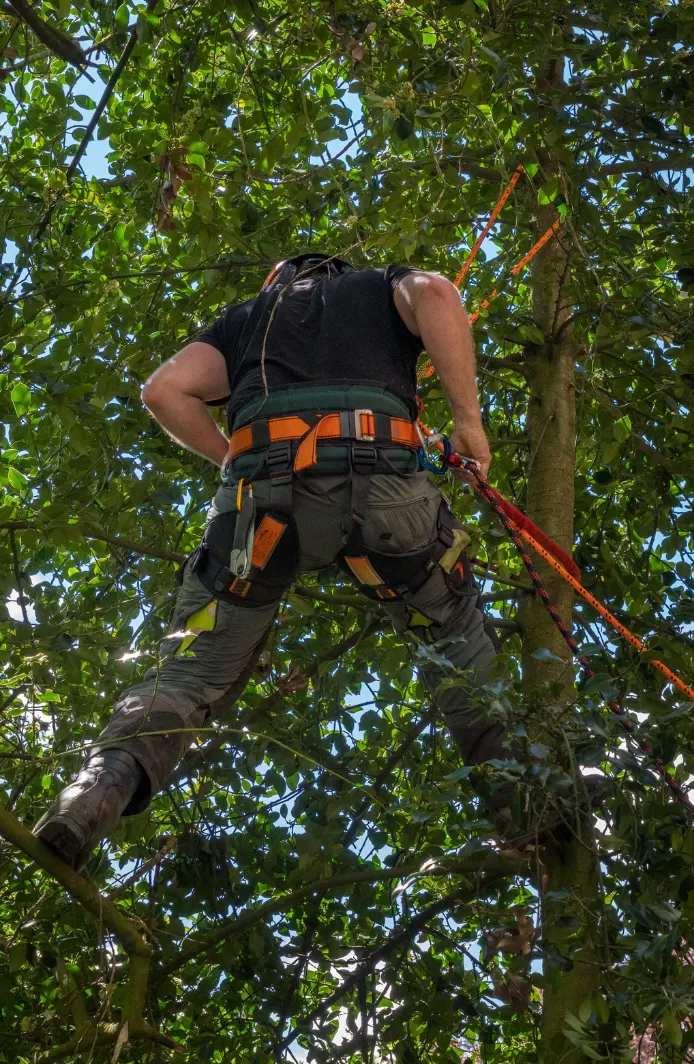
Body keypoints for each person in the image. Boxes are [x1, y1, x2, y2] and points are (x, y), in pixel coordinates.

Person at [33, 254, 511, 870]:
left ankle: (96, 789)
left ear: (275, 283)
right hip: (387, 495)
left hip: (258, 509)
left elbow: (162, 391)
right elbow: (440, 296)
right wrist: (468, 424)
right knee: (455, 635)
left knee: (187, 674)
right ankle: (526, 803)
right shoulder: (378, 287)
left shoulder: (245, 320)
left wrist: (240, 461)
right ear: (337, 272)